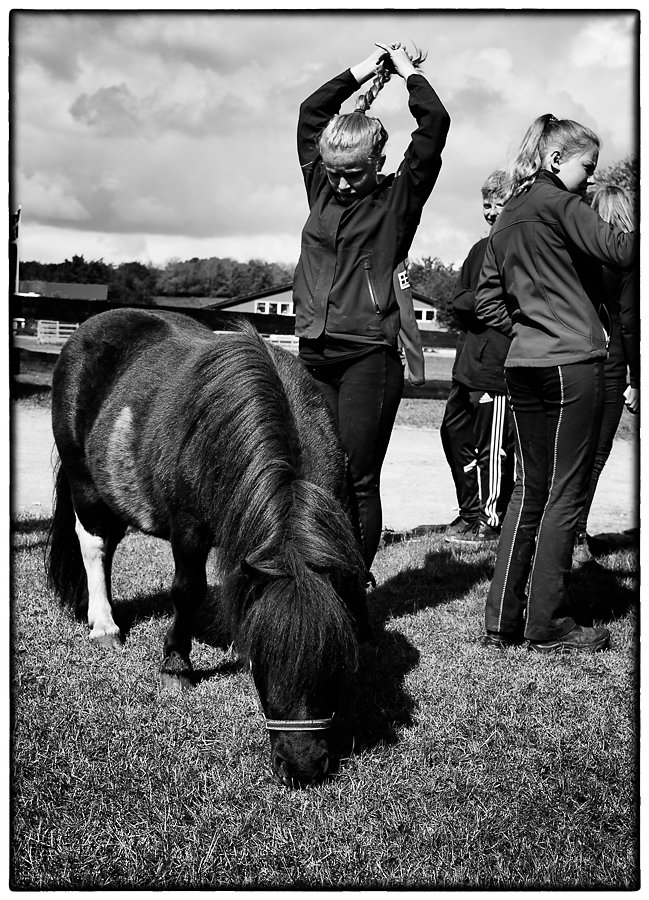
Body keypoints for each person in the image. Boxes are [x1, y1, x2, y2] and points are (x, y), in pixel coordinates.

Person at [474, 113, 636, 653]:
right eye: (586, 168)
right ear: (555, 160)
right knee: (565, 493)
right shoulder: (561, 204)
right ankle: (547, 624)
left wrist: (529, 326)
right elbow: (621, 251)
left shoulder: (509, 214)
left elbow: (487, 302)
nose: (590, 180)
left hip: (524, 365)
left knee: (530, 489)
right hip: (573, 363)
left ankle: (501, 618)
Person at [293, 42, 450, 575]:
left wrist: (406, 73)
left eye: (353, 173)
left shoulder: (397, 198)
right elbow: (311, 112)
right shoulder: (321, 187)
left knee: (357, 475)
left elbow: (434, 125)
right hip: (313, 351)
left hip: (368, 357)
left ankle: (353, 587)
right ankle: (317, 571)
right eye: (333, 172)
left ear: (377, 162)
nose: (340, 183)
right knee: (315, 470)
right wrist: (367, 65)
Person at [441, 169, 515, 546]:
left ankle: (491, 520)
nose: (489, 211)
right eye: (485, 204)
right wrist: (482, 302)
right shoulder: (477, 250)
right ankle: (468, 511)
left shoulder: (518, 249)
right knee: (454, 435)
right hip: (467, 365)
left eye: (497, 203)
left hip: (497, 372)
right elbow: (459, 300)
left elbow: (507, 304)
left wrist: (481, 302)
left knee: (494, 448)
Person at [572, 183, 639, 565]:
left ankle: (559, 532)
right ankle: (576, 536)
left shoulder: (580, 251)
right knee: (595, 456)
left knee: (569, 453)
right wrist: (637, 379)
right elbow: (629, 321)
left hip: (577, 355)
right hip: (611, 363)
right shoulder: (627, 256)